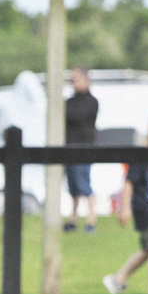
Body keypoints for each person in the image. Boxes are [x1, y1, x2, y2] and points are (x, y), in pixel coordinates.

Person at [104, 113, 148, 294]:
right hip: (144, 206)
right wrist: (125, 208)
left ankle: (118, 279)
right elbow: (129, 183)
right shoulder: (142, 155)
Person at [64, 67, 99, 233]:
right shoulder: (70, 101)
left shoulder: (91, 102)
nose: (73, 83)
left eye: (75, 79)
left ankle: (91, 218)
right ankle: (74, 217)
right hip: (69, 148)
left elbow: (75, 116)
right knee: (73, 187)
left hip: (84, 149)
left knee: (84, 185)